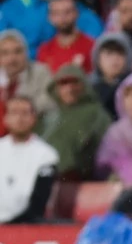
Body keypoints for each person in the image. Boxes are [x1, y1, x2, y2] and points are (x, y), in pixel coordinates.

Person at [0, 0, 103, 59]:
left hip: (56, 61)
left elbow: (90, 22)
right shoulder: (11, 7)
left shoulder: (59, 1)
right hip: (22, 64)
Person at [42, 65, 112, 181]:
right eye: (64, 84)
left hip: (81, 180)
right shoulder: (49, 117)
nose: (69, 89)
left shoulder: (96, 114)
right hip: (45, 177)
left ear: (84, 86)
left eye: (75, 83)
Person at [0, 96, 58, 224]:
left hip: (22, 226)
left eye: (25, 113)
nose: (19, 119)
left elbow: (38, 204)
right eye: (14, 113)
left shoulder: (46, 154)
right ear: (6, 118)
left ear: (34, 118)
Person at [0, 30, 55, 117]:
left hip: (35, 121)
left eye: (17, 52)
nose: (12, 58)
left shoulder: (41, 72)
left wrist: (21, 111)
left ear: (26, 53)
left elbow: (50, 99)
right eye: (5, 53)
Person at [36, 0, 96, 74]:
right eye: (57, 13)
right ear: (50, 17)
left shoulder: (92, 47)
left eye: (67, 12)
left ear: (77, 13)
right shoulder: (44, 51)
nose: (62, 17)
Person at [89, 32, 132, 120]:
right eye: (109, 53)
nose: (114, 59)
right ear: (98, 58)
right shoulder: (88, 88)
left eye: (120, 53)